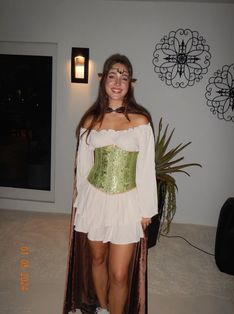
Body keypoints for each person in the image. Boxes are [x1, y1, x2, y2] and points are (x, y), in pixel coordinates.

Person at [63, 54, 158, 314]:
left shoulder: (141, 121)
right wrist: (81, 202)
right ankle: (103, 308)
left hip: (127, 201)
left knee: (119, 273)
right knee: (97, 258)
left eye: (124, 77)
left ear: (130, 84)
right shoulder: (89, 121)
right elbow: (83, 168)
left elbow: (147, 168)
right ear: (104, 80)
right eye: (113, 75)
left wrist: (146, 209)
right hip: (94, 200)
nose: (118, 82)